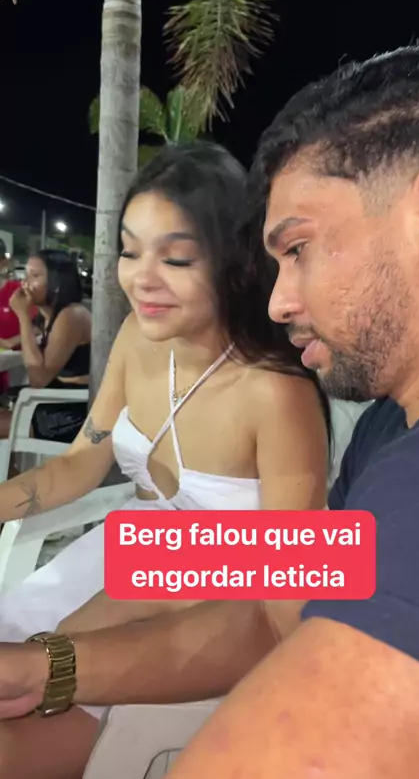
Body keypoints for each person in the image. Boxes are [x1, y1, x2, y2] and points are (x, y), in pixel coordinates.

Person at [1, 42, 419, 778]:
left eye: (301, 247)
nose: (281, 301)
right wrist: (52, 662)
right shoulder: (390, 427)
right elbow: (279, 596)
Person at [0, 140, 329, 778]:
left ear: (233, 261)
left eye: (175, 258)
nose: (141, 278)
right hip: (119, 557)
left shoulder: (275, 394)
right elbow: (80, 462)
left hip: (208, 610)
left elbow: (291, 581)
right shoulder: (138, 337)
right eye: (129, 251)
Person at [0, 249, 91, 442]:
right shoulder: (46, 317)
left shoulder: (72, 315)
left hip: (71, 412)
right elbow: (14, 343)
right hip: (52, 400)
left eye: (34, 276)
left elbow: (38, 379)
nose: (25, 282)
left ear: (57, 283)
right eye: (25, 275)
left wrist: (23, 316)